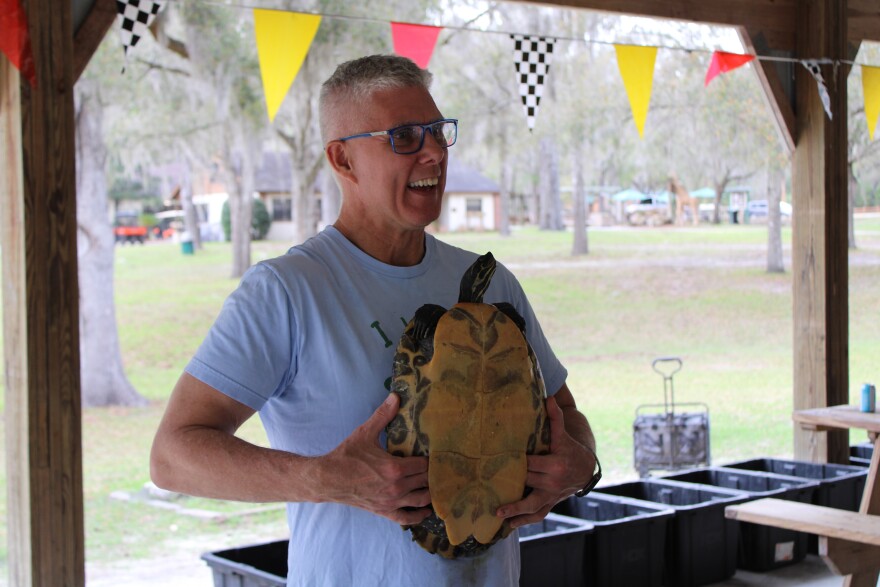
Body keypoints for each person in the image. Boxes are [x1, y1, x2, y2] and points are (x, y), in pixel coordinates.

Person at [150, 54, 598, 586]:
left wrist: (579, 467)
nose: (433, 151)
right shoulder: (288, 290)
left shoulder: (488, 282)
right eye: (405, 136)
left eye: (437, 132)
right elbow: (172, 455)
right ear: (342, 160)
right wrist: (323, 478)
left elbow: (565, 417)